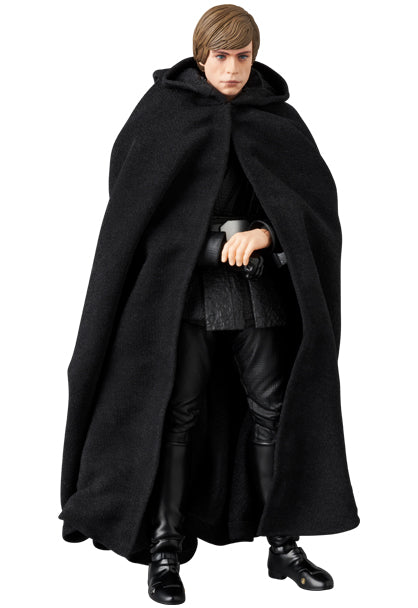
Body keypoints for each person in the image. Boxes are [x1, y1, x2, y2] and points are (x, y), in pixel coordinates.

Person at [58, 4, 360, 605]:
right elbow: (135, 213)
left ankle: (283, 543)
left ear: (254, 57)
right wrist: (208, 243)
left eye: (242, 57)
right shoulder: (164, 114)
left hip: (256, 293)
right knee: (176, 414)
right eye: (220, 57)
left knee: (274, 412)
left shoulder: (277, 119)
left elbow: (312, 209)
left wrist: (267, 233)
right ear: (201, 58)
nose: (231, 69)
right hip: (184, 296)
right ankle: (165, 546)